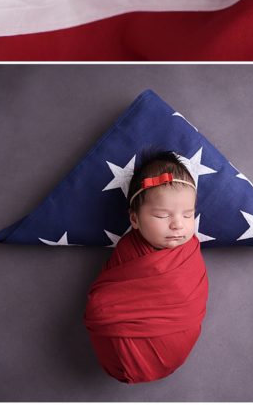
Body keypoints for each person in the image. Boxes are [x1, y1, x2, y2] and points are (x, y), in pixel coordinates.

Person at [84, 152, 209, 383]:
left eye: (188, 215)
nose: (178, 224)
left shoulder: (190, 253)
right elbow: (104, 301)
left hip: (175, 345)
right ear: (134, 220)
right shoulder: (128, 252)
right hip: (119, 350)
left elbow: (190, 297)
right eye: (162, 215)